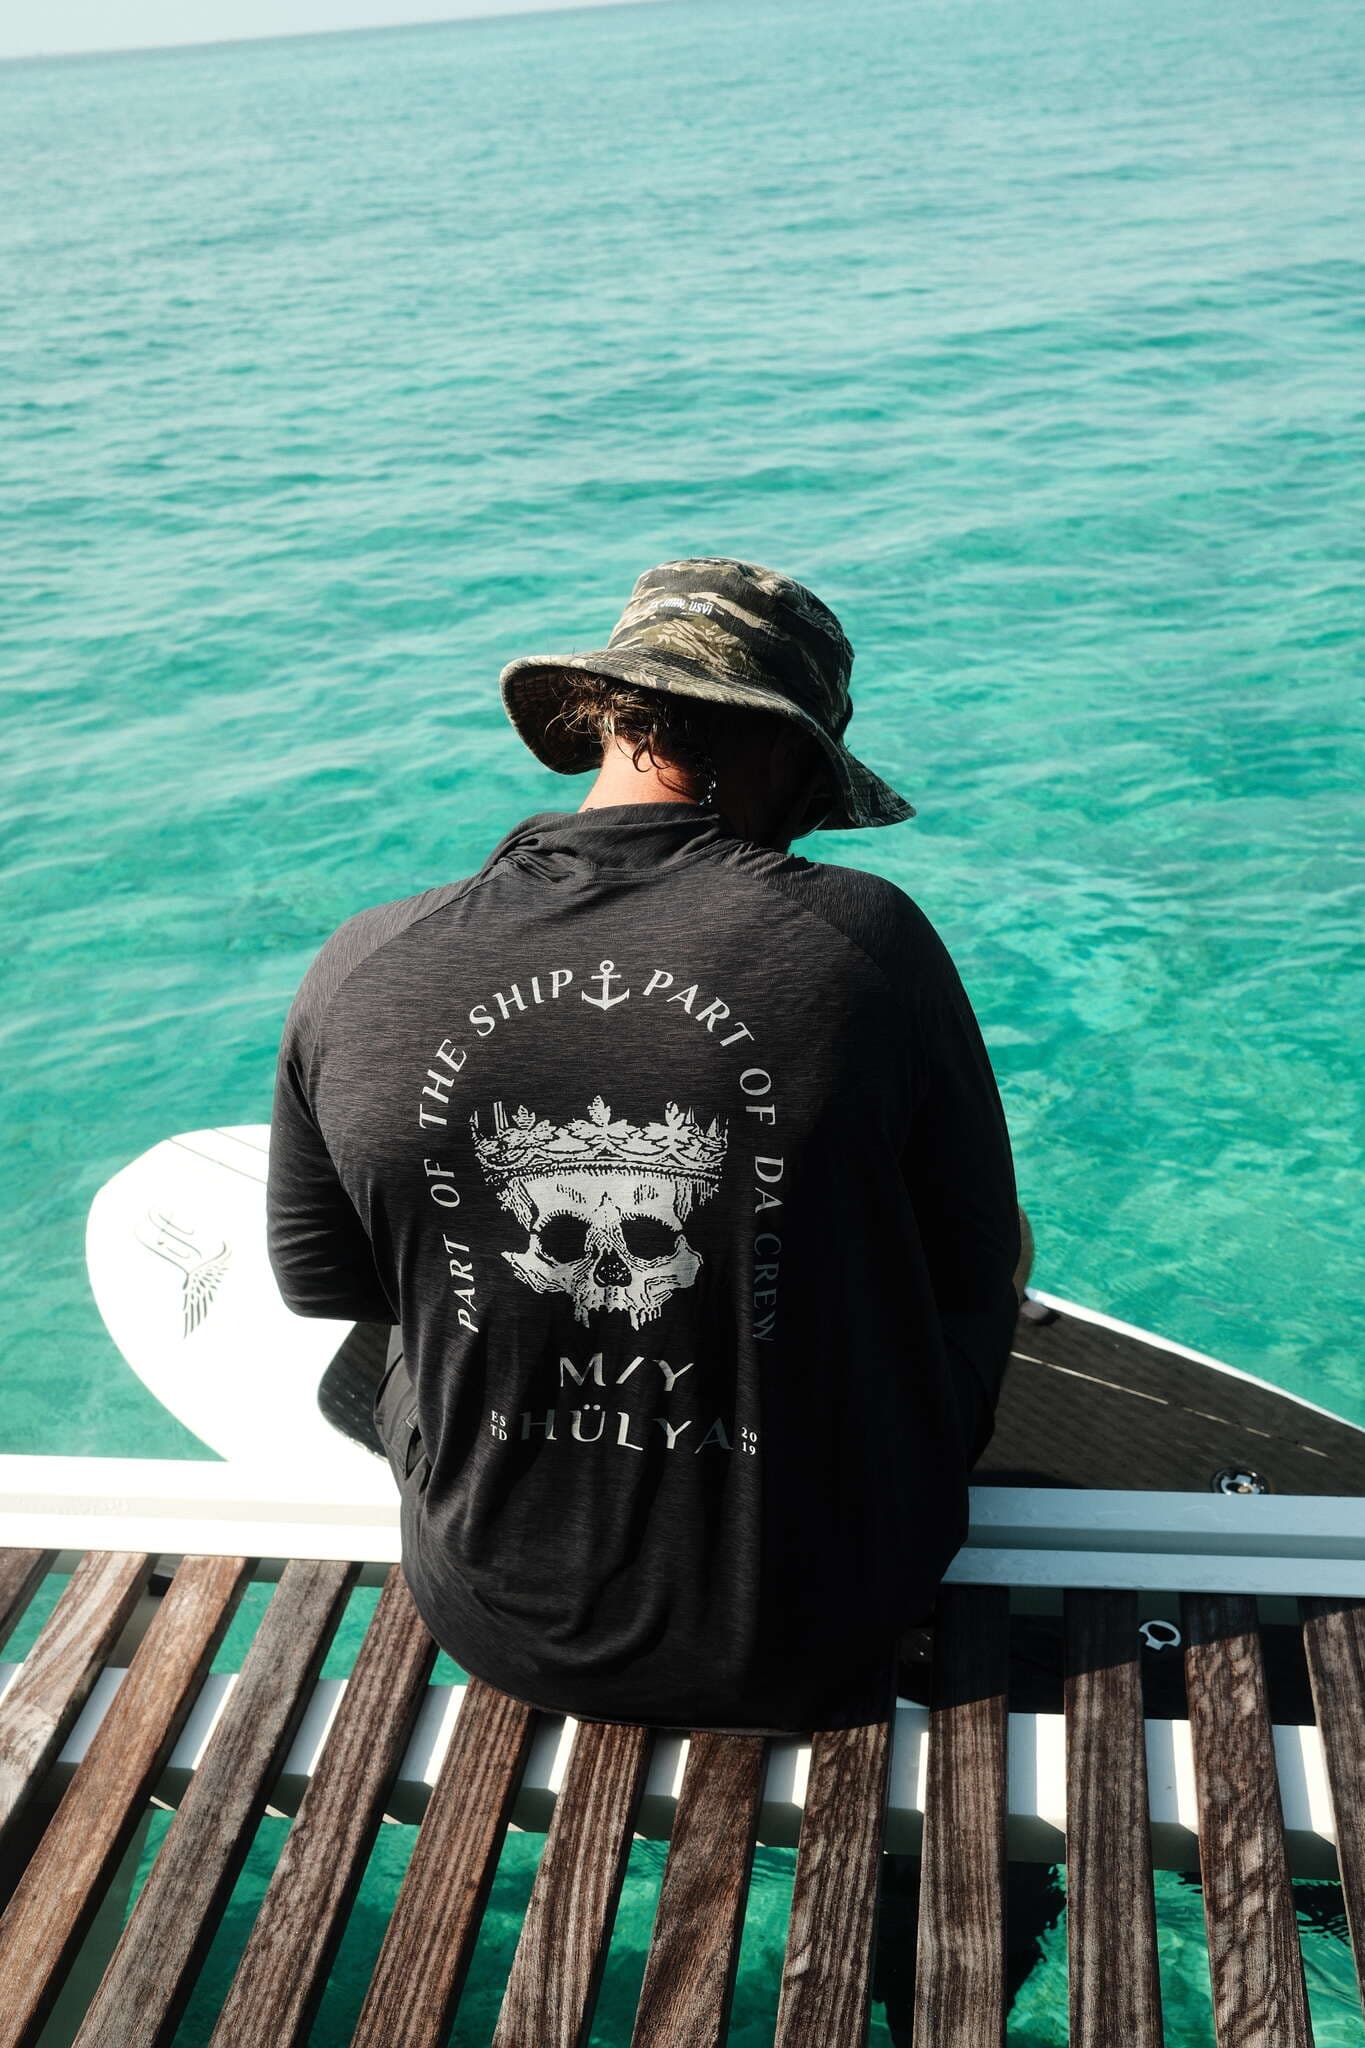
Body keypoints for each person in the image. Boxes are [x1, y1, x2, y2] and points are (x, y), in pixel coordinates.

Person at [266, 556, 1030, 1734]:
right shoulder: (866, 939)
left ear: (611, 722)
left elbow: (327, 1284)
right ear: (770, 749)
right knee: (1000, 1250)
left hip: (498, 1623)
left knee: (402, 1323)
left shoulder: (364, 959)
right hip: (829, 1614)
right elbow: (973, 1266)